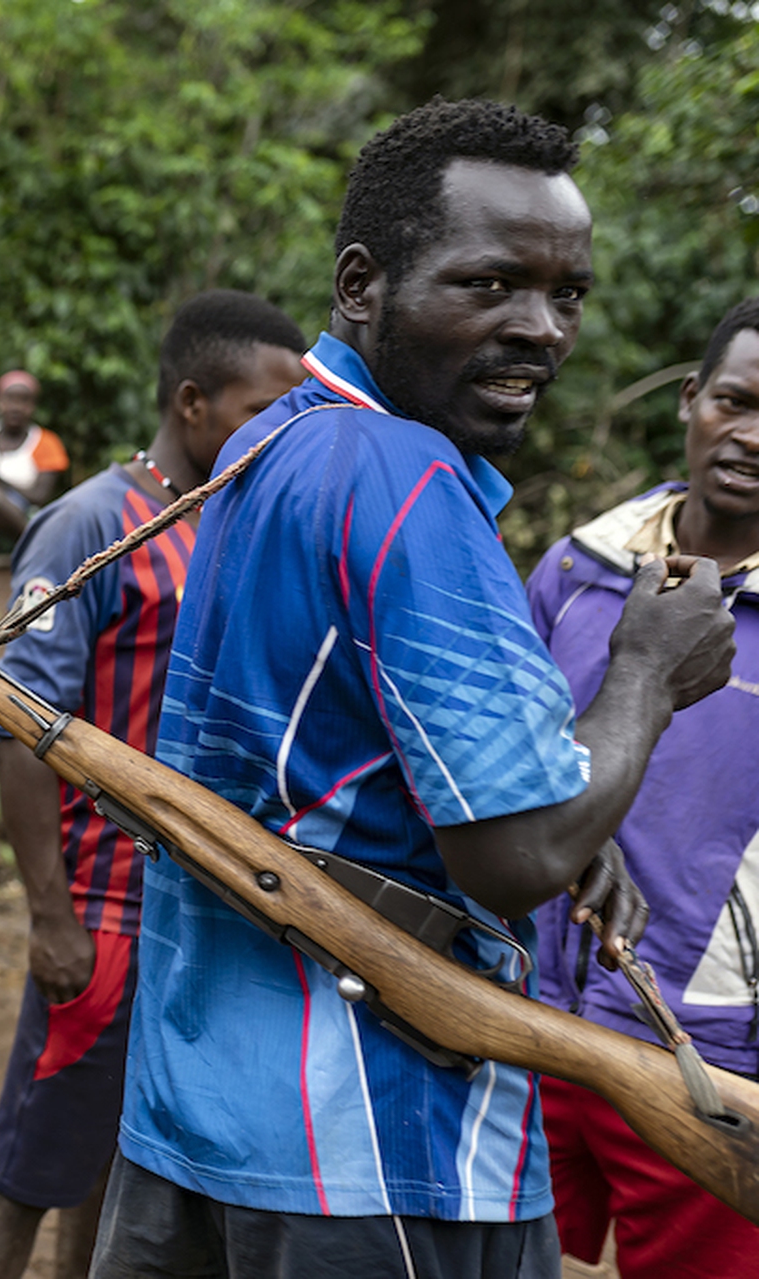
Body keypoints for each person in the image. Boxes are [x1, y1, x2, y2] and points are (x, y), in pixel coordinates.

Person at [92, 98, 735, 1279]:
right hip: (378, 1141)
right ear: (360, 285)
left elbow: (342, 766)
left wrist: (561, 797)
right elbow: (514, 852)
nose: (541, 328)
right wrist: (645, 673)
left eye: (566, 294)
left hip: (196, 1107)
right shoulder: (406, 480)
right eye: (491, 284)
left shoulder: (273, 442)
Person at [0, 292, 306, 1279]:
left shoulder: (230, 526)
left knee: (116, 1167)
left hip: (195, 920)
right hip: (100, 916)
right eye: (259, 412)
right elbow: (21, 732)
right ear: (192, 402)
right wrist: (51, 914)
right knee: (24, 1169)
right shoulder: (91, 525)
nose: (280, 436)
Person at [526, 296, 759, 1278]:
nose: (751, 436)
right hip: (529, 1012)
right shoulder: (580, 568)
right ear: (691, 402)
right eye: (736, 400)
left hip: (712, 1050)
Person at [0, 370, 69, 546]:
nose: (16, 407)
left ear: (33, 405)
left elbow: (40, 496)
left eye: (24, 400)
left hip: (25, 515)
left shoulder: (47, 442)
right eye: (10, 399)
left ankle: (35, 545)